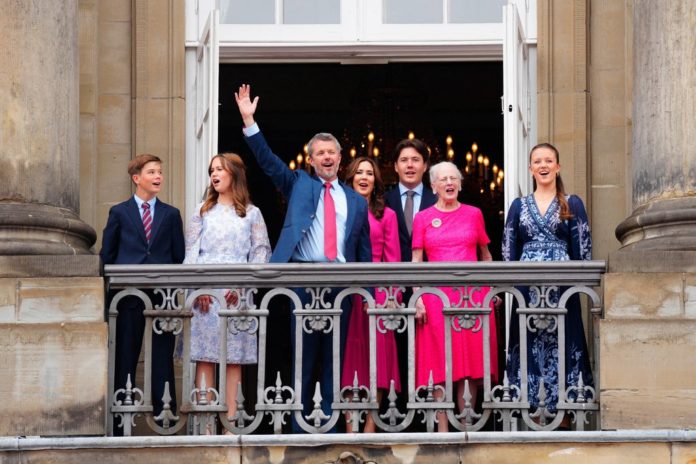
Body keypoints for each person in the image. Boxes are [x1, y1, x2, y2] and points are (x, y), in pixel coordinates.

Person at [234, 84, 372, 430]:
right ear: (310, 159)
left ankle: (328, 426)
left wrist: (368, 291)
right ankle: (299, 427)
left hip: (340, 284)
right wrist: (250, 122)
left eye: (332, 152)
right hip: (303, 281)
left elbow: (363, 251)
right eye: (320, 153)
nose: (327, 157)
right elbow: (267, 162)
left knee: (334, 358)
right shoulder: (298, 183)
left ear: (341, 158)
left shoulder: (355, 200)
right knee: (303, 355)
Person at [502, 142, 593, 419]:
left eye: (548, 161)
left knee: (564, 342)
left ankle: (565, 415)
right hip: (527, 289)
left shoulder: (572, 203)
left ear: (558, 167)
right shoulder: (518, 206)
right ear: (530, 169)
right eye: (537, 161)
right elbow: (508, 250)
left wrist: (580, 282)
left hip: (562, 287)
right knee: (528, 343)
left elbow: (583, 248)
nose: (543, 165)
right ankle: (531, 412)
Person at [184, 153, 271, 431]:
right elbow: (191, 253)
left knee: (234, 359)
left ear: (234, 173)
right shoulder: (201, 211)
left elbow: (260, 254)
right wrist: (199, 289)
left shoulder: (252, 212)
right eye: (212, 170)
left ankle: (231, 422)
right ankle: (206, 425)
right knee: (206, 357)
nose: (214, 174)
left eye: (220, 169)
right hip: (205, 294)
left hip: (238, 293)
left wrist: (241, 286)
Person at [101, 153, 185, 435]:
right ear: (137, 178)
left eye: (160, 172)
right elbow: (107, 255)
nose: (158, 176)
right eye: (152, 172)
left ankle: (166, 416)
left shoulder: (171, 214)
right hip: (128, 296)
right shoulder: (119, 213)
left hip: (163, 296)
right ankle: (119, 419)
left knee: (162, 355)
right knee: (125, 353)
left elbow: (178, 255)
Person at [412, 161, 499, 432]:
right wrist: (417, 298)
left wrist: (492, 288)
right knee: (440, 360)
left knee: (469, 362)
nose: (449, 183)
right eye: (443, 179)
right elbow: (415, 261)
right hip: (436, 297)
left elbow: (486, 256)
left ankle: (467, 425)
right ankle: (441, 430)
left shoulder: (474, 214)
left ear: (460, 184)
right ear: (433, 186)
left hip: (472, 296)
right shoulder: (423, 217)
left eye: (454, 178)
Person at [340, 157, 401, 433]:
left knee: (378, 361)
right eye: (359, 172)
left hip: (377, 296)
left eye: (369, 173)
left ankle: (370, 426)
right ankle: (350, 427)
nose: (364, 177)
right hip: (347, 294)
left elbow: (393, 259)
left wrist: (391, 298)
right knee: (350, 361)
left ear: (376, 180)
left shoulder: (385, 214)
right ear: (350, 176)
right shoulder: (340, 209)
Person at [384, 138, 437, 262]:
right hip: (392, 275)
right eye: (403, 160)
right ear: (396, 167)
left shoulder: (437, 201)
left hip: (430, 275)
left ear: (425, 166)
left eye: (415, 160)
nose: (409, 165)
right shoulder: (383, 201)